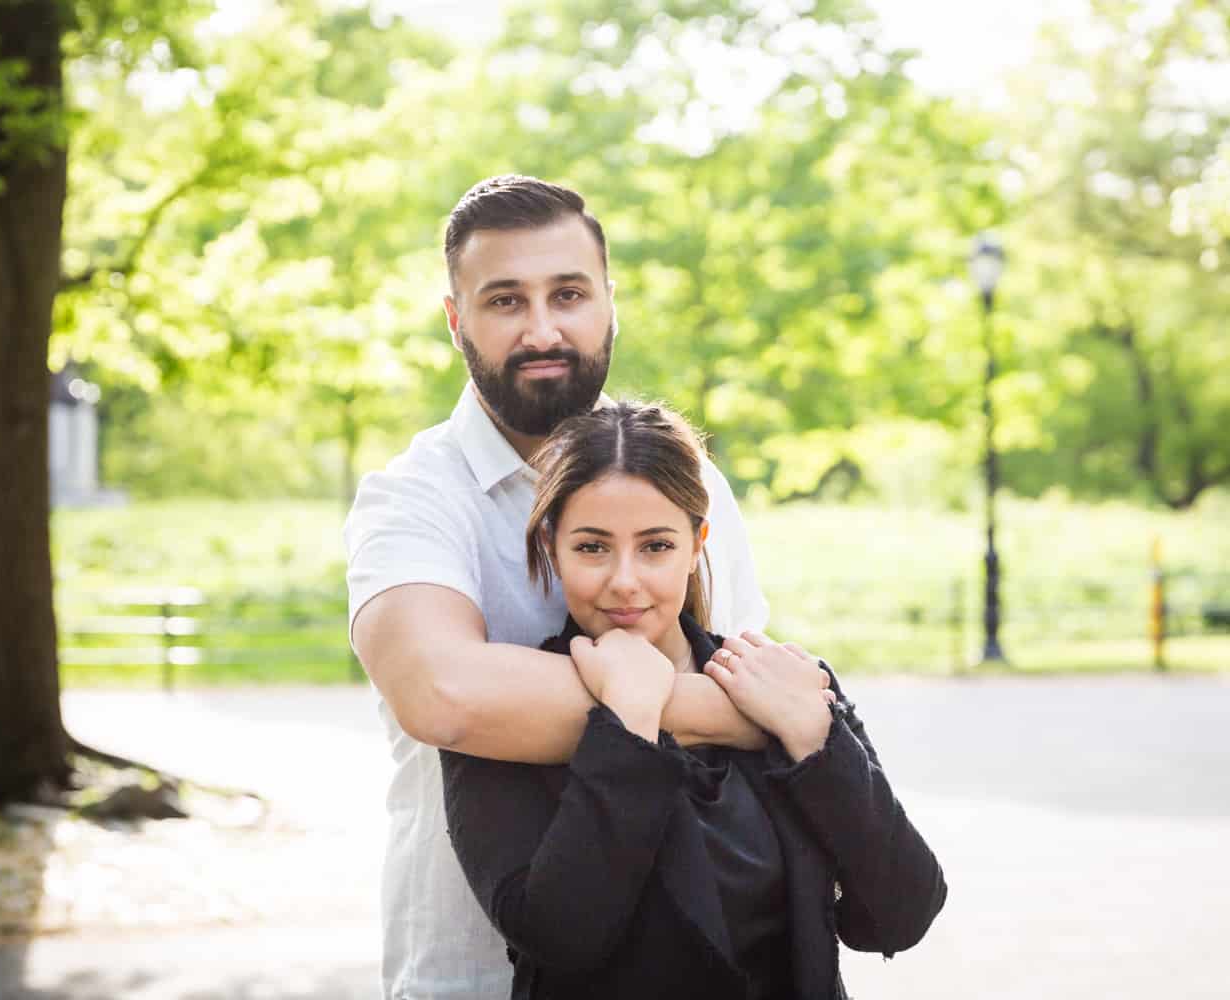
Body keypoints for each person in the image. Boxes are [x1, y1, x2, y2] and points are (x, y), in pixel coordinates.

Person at [344, 175, 773, 998]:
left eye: (568, 294)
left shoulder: (695, 483)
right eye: (505, 301)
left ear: (609, 302)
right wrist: (685, 704)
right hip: (476, 976)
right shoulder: (411, 499)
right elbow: (444, 696)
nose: (543, 329)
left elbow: (746, 680)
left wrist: (750, 711)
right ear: (455, 318)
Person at [441, 401, 947, 1000]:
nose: (624, 580)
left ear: (697, 542)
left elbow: (900, 913)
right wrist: (629, 721)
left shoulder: (781, 683)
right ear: (552, 545)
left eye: (655, 546)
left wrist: (816, 739)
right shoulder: (502, 711)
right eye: (593, 547)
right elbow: (561, 937)